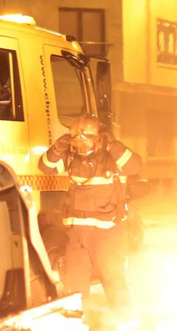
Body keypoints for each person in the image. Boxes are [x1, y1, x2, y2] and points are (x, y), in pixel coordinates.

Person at [39, 115, 143, 317]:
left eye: (86, 139)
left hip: (109, 233)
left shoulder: (112, 157)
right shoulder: (71, 158)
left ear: (99, 138)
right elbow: (46, 167)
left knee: (113, 280)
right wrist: (57, 148)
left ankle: (127, 326)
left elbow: (135, 167)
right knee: (74, 283)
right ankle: (75, 325)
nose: (81, 146)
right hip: (79, 235)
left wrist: (114, 145)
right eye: (76, 141)